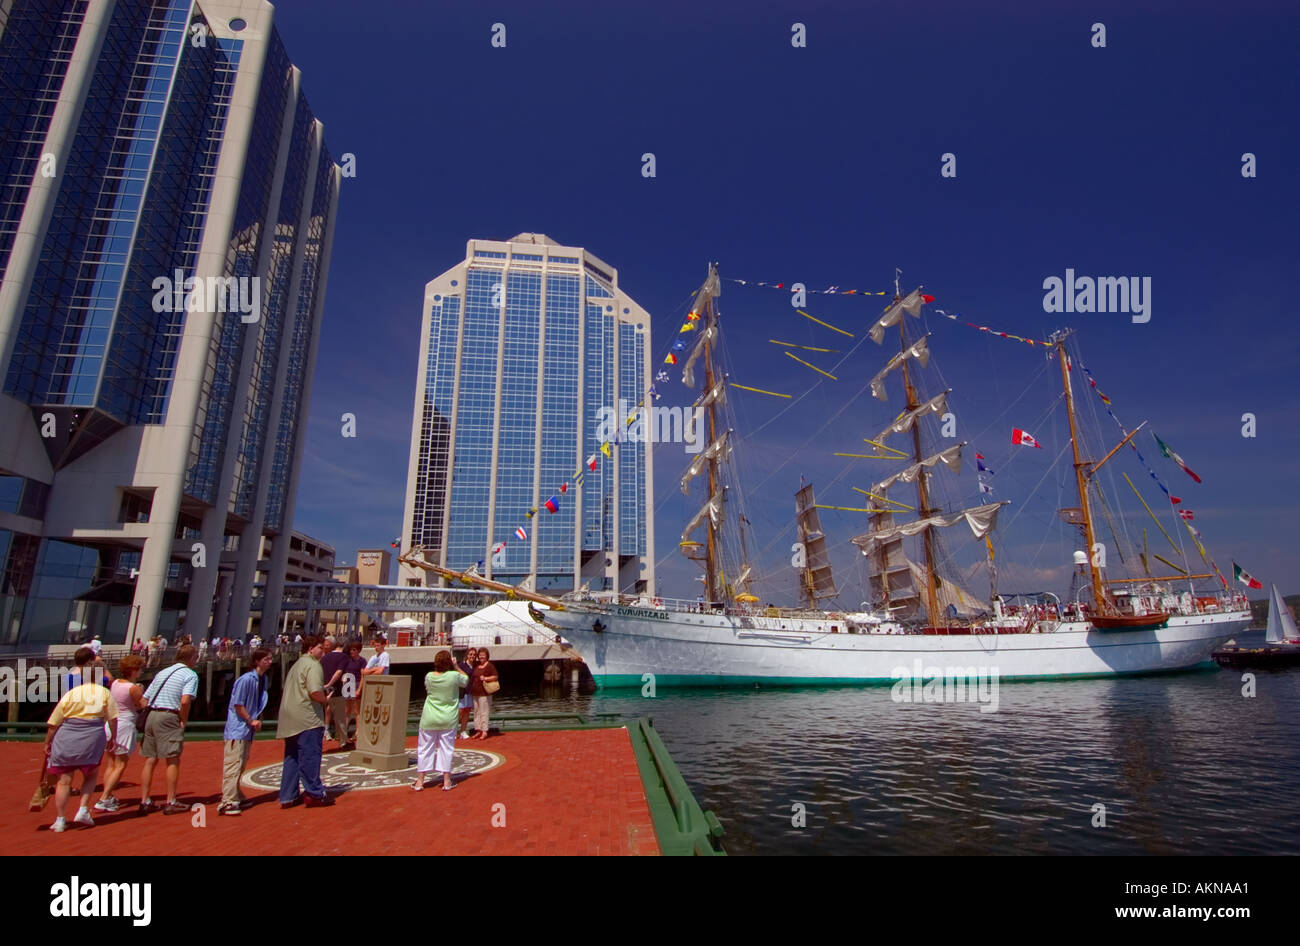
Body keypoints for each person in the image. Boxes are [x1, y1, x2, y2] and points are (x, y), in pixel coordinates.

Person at [44, 664, 118, 831]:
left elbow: (53, 723)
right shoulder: (104, 693)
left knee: (64, 780)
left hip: (67, 736)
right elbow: (113, 719)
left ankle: (60, 819)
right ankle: (83, 809)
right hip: (92, 736)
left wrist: (47, 743)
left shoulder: (71, 693)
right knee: (91, 775)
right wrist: (112, 737)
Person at [137, 644, 199, 815]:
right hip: (169, 715)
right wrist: (182, 721)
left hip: (152, 714)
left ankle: (145, 800)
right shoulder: (190, 675)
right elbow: (185, 701)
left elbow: (143, 700)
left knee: (150, 759)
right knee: (172, 758)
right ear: (191, 658)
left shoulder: (162, 673)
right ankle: (171, 800)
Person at [275, 635, 333, 808]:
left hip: (288, 717)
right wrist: (326, 700)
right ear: (311, 649)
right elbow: (315, 692)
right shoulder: (313, 665)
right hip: (307, 718)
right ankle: (314, 793)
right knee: (310, 756)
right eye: (321, 648)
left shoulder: (297, 664)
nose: (323, 651)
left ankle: (288, 795)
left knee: (291, 757)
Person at [219, 647, 272, 816]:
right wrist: (250, 720)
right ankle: (228, 800)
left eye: (270, 659)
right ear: (257, 661)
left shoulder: (262, 680)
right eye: (266, 659)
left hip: (247, 730)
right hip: (238, 729)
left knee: (241, 763)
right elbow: (238, 704)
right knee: (233, 764)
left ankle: (236, 793)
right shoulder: (246, 680)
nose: (270, 662)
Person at [94, 655, 146, 813]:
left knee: (111, 763)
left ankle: (107, 795)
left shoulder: (115, 683)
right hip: (124, 725)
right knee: (121, 764)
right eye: (139, 669)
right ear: (133, 671)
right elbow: (140, 705)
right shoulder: (133, 688)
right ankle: (104, 797)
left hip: (112, 723)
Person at [414, 650, 467, 791]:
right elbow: (466, 680)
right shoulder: (454, 676)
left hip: (429, 718)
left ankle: (420, 781)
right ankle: (446, 781)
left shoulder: (429, 676)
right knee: (446, 749)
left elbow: (427, 689)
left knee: (424, 749)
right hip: (448, 718)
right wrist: (455, 666)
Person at [318, 637, 349, 747]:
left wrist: (324, 686)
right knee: (340, 716)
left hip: (326, 692)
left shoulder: (325, 658)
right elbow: (339, 672)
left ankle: (332, 734)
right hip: (337, 690)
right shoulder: (344, 657)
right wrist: (330, 684)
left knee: (329, 713)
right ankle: (343, 741)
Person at [339, 641, 366, 749]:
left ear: (358, 650)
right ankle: (344, 731)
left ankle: (357, 731)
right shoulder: (347, 661)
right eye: (351, 650)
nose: (352, 652)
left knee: (357, 710)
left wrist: (359, 689)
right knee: (347, 710)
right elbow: (344, 673)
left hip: (356, 683)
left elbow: (363, 675)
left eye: (354, 650)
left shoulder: (362, 661)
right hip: (348, 683)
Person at [470, 648, 498, 740]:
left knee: (484, 712)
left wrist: (485, 678)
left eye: (483, 655)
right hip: (475, 693)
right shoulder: (477, 666)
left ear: (487, 656)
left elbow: (495, 676)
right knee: (476, 712)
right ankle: (478, 730)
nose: (481, 657)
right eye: (480, 655)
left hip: (484, 693)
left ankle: (484, 731)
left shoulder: (489, 666)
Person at [456, 648, 477, 739]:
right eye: (470, 654)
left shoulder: (475, 666)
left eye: (474, 654)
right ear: (467, 655)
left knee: (467, 711)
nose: (472, 656)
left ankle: (463, 731)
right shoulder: (462, 665)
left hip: (470, 692)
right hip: (462, 692)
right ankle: (453, 731)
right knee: (459, 712)